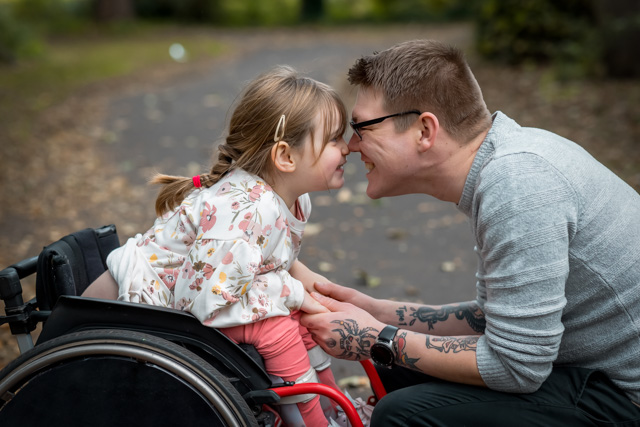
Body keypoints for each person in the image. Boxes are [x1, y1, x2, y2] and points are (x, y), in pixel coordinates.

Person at [300, 39, 640, 425]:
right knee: (397, 363)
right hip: (586, 376)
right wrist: (378, 313)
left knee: (400, 413)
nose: (351, 145)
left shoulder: (518, 186)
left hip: (625, 399)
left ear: (425, 130)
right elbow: (495, 320)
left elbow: (517, 368)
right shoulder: (502, 166)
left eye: (362, 127)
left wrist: (376, 337)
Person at [83, 65, 351, 426]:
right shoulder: (248, 212)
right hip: (132, 308)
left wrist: (318, 293)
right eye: (334, 139)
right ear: (286, 157)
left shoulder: (289, 199)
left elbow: (273, 261)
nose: (347, 147)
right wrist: (293, 292)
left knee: (304, 315)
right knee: (278, 326)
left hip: (186, 298)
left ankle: (334, 409)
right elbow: (206, 302)